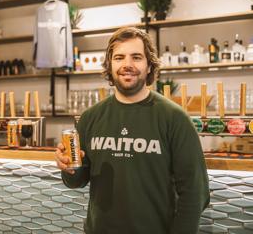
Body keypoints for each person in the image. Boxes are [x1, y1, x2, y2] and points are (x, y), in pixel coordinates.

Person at [55, 26, 210, 234]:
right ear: (110, 66)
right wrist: (69, 168)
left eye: (136, 57)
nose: (127, 65)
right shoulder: (90, 118)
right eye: (119, 58)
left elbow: (195, 193)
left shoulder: (175, 119)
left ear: (149, 66)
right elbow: (77, 181)